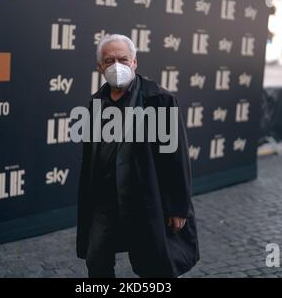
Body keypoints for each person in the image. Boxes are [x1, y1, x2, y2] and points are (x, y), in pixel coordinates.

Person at [76, 34, 199, 278]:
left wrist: (178, 206)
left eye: (123, 59)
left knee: (152, 266)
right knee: (96, 260)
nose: (117, 66)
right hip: (106, 201)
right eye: (109, 60)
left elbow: (175, 157)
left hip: (146, 199)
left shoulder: (159, 100)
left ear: (134, 63)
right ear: (100, 67)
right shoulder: (95, 104)